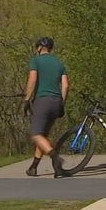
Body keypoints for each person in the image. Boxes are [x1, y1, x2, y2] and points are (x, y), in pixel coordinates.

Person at [22, 37, 70, 178]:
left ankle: (55, 157)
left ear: (39, 48)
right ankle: (34, 167)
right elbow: (65, 86)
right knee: (43, 136)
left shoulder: (36, 61)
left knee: (35, 134)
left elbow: (32, 79)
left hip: (42, 101)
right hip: (56, 102)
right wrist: (62, 103)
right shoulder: (59, 63)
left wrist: (26, 99)